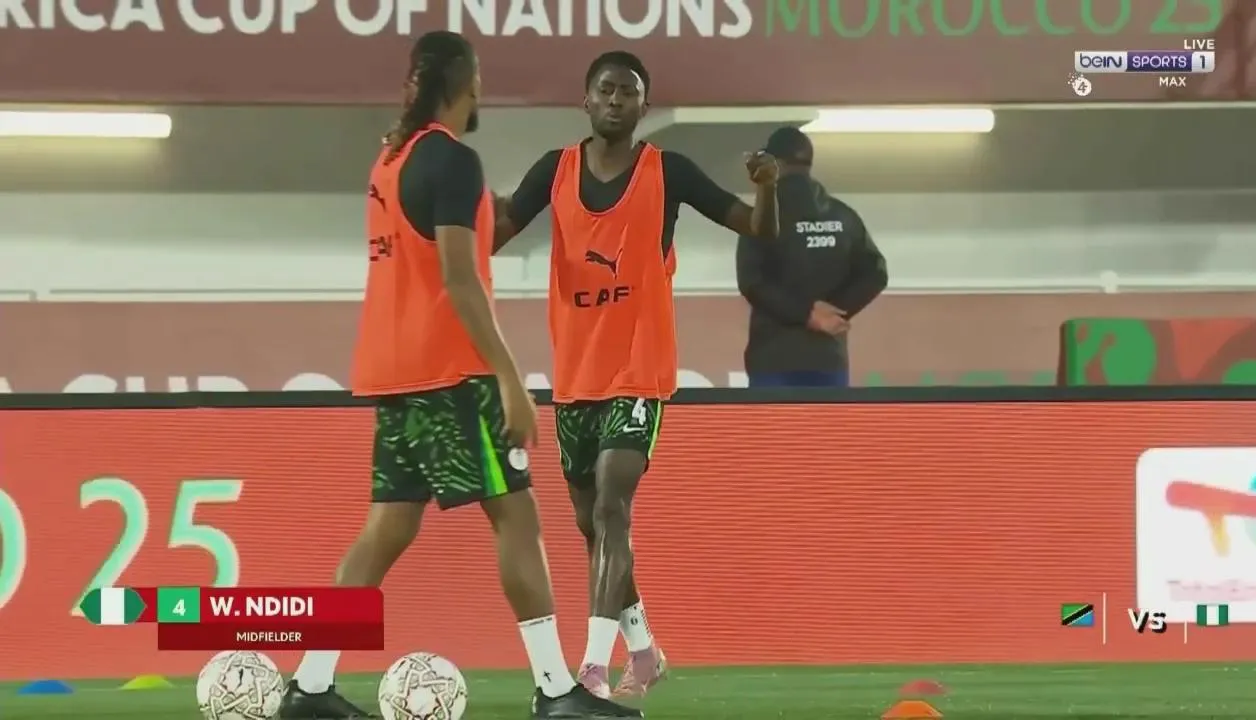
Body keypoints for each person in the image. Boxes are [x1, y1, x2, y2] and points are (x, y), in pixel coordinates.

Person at [280, 31, 642, 720]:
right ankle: (556, 691)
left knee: (388, 527)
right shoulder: (453, 161)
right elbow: (458, 278)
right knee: (517, 517)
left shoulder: (390, 161)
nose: (481, 90)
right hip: (451, 371)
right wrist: (508, 378)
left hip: (392, 372)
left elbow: (422, 257)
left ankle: (311, 685)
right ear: (465, 84)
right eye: (478, 79)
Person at [493, 50, 779, 699]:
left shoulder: (667, 171)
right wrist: (454, 211)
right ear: (586, 100)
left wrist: (768, 187)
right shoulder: (555, 171)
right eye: (606, 90)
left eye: (628, 92)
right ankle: (644, 650)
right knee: (590, 525)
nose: (616, 100)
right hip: (576, 375)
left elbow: (756, 227)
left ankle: (593, 670)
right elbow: (492, 235)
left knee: (612, 508)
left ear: (644, 107)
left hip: (638, 370)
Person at [736, 126, 888, 388]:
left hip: (773, 360)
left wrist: (806, 313)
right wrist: (836, 312)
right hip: (827, 358)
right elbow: (875, 272)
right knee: (826, 418)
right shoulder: (843, 216)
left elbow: (752, 282)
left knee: (773, 419)